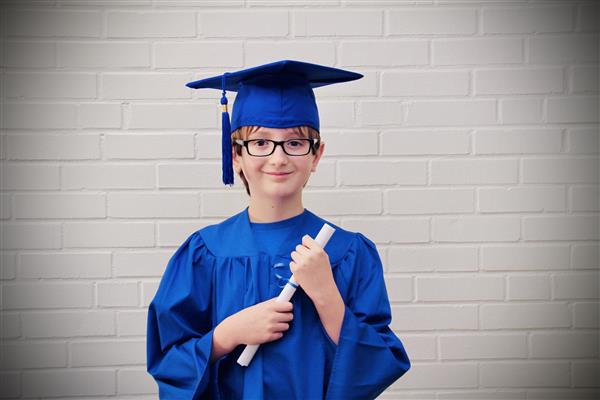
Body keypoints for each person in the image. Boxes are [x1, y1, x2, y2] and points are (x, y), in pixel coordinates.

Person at [146, 60, 411, 399]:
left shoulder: (347, 253)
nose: (278, 158)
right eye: (260, 143)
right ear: (235, 155)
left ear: (317, 156)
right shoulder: (204, 253)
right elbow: (167, 363)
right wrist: (226, 335)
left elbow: (380, 363)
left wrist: (327, 296)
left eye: (296, 143)